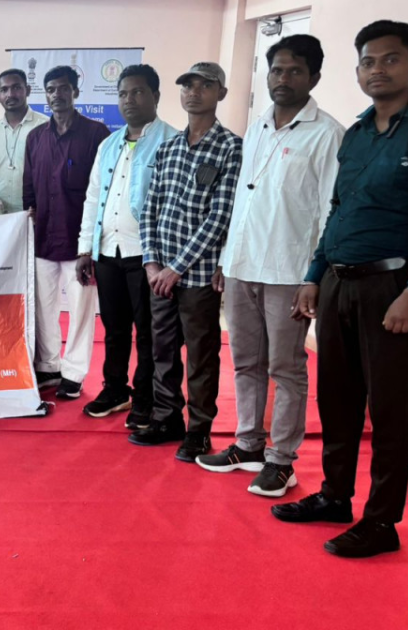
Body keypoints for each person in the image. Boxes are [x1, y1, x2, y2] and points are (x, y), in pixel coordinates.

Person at [274, 20, 408, 559]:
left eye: (390, 59)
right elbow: (337, 211)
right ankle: (335, 496)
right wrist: (314, 275)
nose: (377, 70)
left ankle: (381, 522)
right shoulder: (358, 133)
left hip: (393, 287)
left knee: (389, 409)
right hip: (339, 282)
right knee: (337, 400)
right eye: (368, 62)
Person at [197, 36, 344, 498]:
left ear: (314, 77)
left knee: (286, 367)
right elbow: (244, 200)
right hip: (242, 266)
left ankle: (282, 460)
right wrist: (227, 259)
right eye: (277, 70)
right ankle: (248, 445)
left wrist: (313, 277)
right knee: (246, 362)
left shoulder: (327, 134)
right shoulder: (258, 126)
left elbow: (331, 211)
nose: (283, 79)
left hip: (289, 271)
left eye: (294, 71)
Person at [132, 62, 242, 463]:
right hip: (159, 275)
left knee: (200, 356)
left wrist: (176, 267)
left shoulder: (231, 148)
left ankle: (198, 430)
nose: (194, 92)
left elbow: (220, 216)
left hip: (197, 275)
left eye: (204, 86)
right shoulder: (168, 148)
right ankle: (166, 419)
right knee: (162, 351)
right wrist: (151, 263)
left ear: (221, 93)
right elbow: (149, 208)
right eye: (188, 85)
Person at [75, 65, 179, 428]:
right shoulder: (109, 144)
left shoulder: (171, 141)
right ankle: (116, 389)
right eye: (122, 94)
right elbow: (93, 197)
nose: (129, 100)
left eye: (137, 92)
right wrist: (85, 249)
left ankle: (145, 397)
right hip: (108, 250)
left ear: (155, 96)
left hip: (148, 255)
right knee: (115, 328)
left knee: (148, 331)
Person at [23, 65, 110, 400]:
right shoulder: (36, 137)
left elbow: (103, 189)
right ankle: (48, 365)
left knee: (81, 309)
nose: (56, 95)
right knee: (42, 307)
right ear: (44, 95)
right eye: (50, 89)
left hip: (80, 242)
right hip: (43, 237)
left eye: (63, 88)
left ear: (75, 91)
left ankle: (73, 373)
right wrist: (29, 218)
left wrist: (91, 244)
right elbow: (29, 187)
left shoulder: (96, 134)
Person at [0, 69, 47, 214]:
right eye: (4, 90)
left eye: (16, 88)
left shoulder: (45, 126)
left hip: (33, 211)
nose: (10, 94)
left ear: (28, 90)